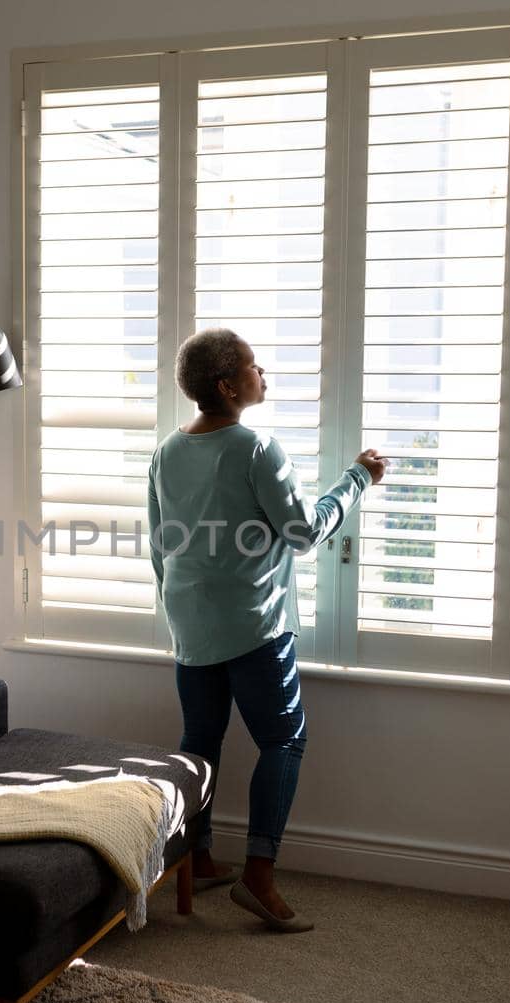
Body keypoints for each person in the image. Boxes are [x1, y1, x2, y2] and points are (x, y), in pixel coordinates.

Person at [147, 327, 385, 932]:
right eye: (255, 368)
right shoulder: (256, 448)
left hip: (191, 620)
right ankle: (258, 875)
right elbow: (303, 533)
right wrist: (357, 478)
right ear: (228, 385)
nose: (264, 375)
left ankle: (195, 858)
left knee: (200, 742)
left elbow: (160, 544)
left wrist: (178, 609)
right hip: (254, 623)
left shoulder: (166, 452)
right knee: (284, 741)